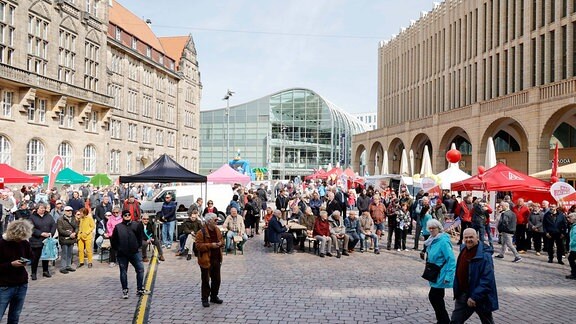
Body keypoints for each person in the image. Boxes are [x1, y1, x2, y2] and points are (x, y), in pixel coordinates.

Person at [451, 228, 499, 324]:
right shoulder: (463, 249)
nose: (468, 239)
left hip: (480, 296)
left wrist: (474, 296)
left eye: (471, 237)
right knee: (455, 321)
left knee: (487, 321)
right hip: (463, 294)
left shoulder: (485, 256)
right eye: (466, 237)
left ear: (477, 238)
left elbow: (487, 279)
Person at [0, 220, 34, 323]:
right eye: (18, 238)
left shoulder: (24, 242)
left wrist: (27, 262)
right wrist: (11, 264)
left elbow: (32, 257)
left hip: (21, 284)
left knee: (15, 316)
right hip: (4, 285)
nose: (20, 240)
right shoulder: (1, 243)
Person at [110, 210, 149, 299]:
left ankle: (140, 289)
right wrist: (118, 249)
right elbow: (114, 241)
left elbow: (140, 237)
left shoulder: (136, 225)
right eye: (125, 215)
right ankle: (125, 290)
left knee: (140, 269)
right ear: (122, 216)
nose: (127, 216)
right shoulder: (118, 227)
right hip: (122, 253)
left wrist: (136, 246)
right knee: (123, 272)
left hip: (134, 252)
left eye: (129, 214)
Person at [423, 219, 455, 324]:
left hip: (441, 273)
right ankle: (441, 320)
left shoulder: (443, 241)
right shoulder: (431, 239)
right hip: (434, 272)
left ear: (439, 228)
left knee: (434, 297)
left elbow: (451, 259)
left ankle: (444, 321)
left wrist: (448, 277)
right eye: (430, 228)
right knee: (437, 298)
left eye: (433, 228)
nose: (431, 230)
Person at [195, 213, 224, 307]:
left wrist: (220, 243)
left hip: (216, 258)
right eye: (215, 220)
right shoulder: (201, 232)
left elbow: (222, 240)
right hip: (206, 260)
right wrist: (211, 245)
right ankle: (204, 299)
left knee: (217, 280)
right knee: (206, 280)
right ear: (209, 221)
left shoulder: (217, 230)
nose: (217, 222)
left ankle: (214, 296)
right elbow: (198, 246)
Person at [29, 203, 56, 280]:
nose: (43, 210)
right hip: (36, 240)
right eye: (41, 208)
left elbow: (53, 225)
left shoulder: (48, 216)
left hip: (47, 239)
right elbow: (31, 228)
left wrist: (51, 233)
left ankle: (45, 271)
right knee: (35, 257)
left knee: (46, 257)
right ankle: (33, 273)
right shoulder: (32, 217)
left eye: (44, 208)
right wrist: (41, 233)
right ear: (37, 209)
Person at [57, 206, 78, 274]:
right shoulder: (60, 219)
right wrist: (69, 234)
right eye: (68, 211)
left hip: (72, 238)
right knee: (64, 253)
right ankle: (63, 267)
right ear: (65, 211)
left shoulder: (73, 219)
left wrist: (75, 233)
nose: (69, 212)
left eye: (71, 211)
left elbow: (77, 227)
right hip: (64, 238)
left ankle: (68, 266)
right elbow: (60, 230)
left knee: (70, 253)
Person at [566, 213, 576, 280]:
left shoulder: (575, 227)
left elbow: (574, 238)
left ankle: (574, 274)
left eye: (570, 218)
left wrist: (570, 245)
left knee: (571, 259)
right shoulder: (573, 226)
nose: (568, 219)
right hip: (574, 247)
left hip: (575, 247)